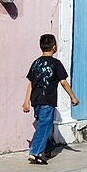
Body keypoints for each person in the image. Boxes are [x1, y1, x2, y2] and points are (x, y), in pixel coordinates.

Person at [22, 33, 78, 164]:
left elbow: (30, 83)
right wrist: (73, 97)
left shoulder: (36, 63)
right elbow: (63, 82)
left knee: (43, 124)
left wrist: (26, 102)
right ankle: (35, 152)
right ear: (54, 47)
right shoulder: (56, 63)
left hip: (36, 101)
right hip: (47, 100)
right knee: (45, 126)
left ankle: (48, 148)